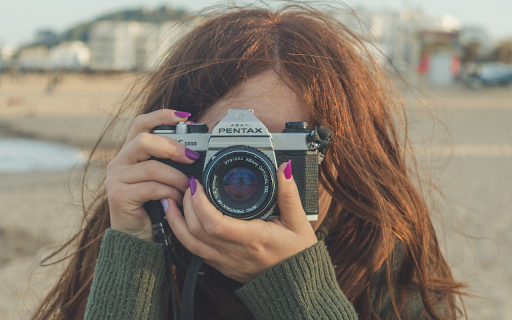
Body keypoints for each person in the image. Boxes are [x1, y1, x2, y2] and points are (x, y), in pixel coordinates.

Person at [31, 4, 465, 320]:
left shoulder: (386, 261)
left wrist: (299, 292)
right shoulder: (144, 242)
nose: (244, 177)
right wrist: (132, 249)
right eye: (223, 147)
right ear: (175, 151)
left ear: (349, 158)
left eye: (280, 147)